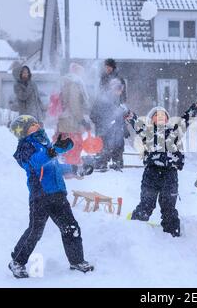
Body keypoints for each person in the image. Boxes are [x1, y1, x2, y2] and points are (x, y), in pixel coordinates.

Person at [8, 115, 94, 278]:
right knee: (35, 231)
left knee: (71, 227)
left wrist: (76, 169)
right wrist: (53, 150)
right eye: (31, 125)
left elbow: (54, 167)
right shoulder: (24, 147)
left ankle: (77, 261)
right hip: (40, 195)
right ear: (23, 131)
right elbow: (34, 162)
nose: (36, 125)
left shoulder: (44, 143)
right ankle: (17, 262)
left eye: (36, 122)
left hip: (57, 194)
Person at [124, 88, 197, 237]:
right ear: (151, 119)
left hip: (169, 175)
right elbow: (134, 120)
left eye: (163, 115)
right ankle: (135, 234)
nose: (160, 117)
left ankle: (173, 237)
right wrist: (126, 112)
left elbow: (188, 117)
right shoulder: (147, 132)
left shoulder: (175, 131)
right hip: (151, 174)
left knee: (169, 208)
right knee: (146, 205)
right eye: (156, 115)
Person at [55, 63, 91, 165]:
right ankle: (71, 170)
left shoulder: (67, 83)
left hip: (66, 120)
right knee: (74, 145)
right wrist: (82, 120)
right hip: (71, 121)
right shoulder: (74, 84)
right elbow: (74, 105)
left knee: (68, 146)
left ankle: (70, 168)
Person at [90, 78, 127, 171]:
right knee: (104, 145)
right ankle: (101, 162)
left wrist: (125, 128)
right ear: (112, 88)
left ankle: (117, 162)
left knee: (118, 143)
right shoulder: (103, 98)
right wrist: (102, 124)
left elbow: (121, 115)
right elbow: (94, 114)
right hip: (105, 127)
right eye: (118, 88)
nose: (120, 91)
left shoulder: (119, 99)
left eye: (121, 88)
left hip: (117, 128)